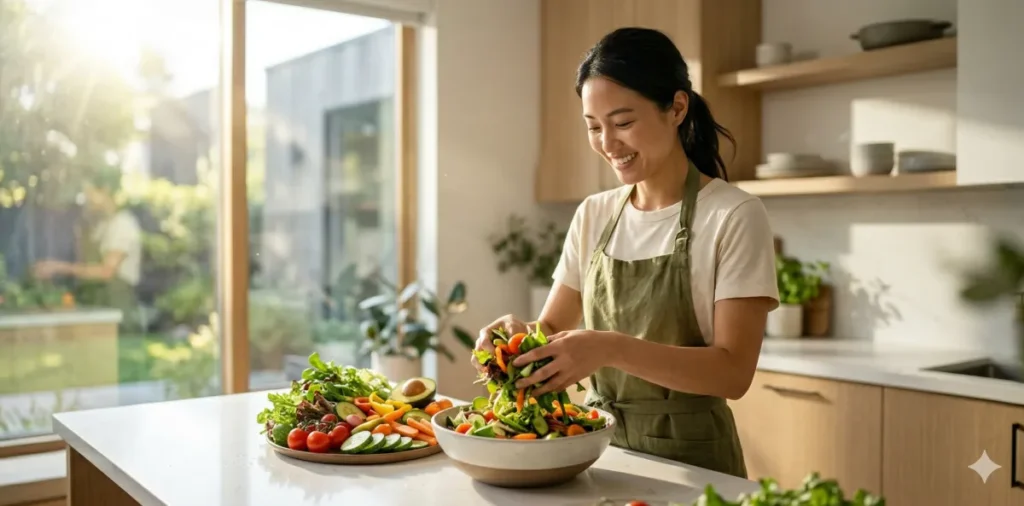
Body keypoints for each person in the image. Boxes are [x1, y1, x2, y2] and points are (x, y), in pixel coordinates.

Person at [473, 27, 779, 478]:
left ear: (677, 108)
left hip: (694, 463)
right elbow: (551, 329)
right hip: (596, 450)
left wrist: (609, 348)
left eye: (622, 123)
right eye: (594, 127)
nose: (608, 144)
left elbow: (733, 373)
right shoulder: (594, 214)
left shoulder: (733, 215)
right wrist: (514, 339)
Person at [33, 167, 142, 323]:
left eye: (90, 193)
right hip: (96, 306)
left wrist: (58, 267)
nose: (87, 199)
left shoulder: (122, 225)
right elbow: (85, 264)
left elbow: (106, 271)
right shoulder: (99, 225)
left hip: (117, 311)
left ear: (105, 190)